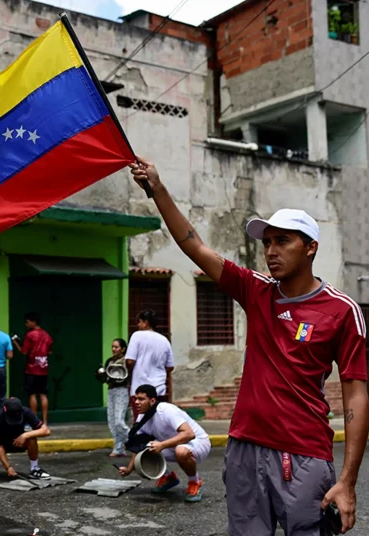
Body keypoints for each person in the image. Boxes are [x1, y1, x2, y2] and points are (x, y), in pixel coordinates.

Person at [130, 157, 368, 534]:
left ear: (310, 248)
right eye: (267, 242)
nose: (271, 250)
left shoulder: (341, 310)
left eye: (283, 241)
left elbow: (356, 396)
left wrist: (348, 482)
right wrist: (157, 190)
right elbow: (195, 247)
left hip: (303, 455)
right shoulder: (256, 290)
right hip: (244, 451)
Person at [119, 384, 210, 502]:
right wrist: (129, 469)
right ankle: (168, 478)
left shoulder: (166, 410)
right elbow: (139, 447)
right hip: (175, 444)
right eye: (135, 399)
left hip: (198, 442)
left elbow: (189, 434)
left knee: (180, 451)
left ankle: (195, 482)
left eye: (141, 399)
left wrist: (162, 445)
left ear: (152, 400)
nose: (136, 402)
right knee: (146, 449)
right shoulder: (142, 418)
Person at [0, 397, 51, 479]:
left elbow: (46, 431)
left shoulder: (26, 411)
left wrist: (25, 435)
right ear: (5, 409)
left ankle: (35, 469)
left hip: (18, 442)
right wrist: (8, 467)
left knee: (31, 438)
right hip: (2, 444)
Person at [126, 309, 174, 414]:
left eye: (139, 322)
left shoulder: (137, 336)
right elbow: (170, 367)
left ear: (146, 323)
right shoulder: (164, 340)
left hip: (140, 390)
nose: (138, 325)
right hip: (159, 389)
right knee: (158, 422)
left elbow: (130, 361)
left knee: (140, 423)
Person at [12, 312, 52, 424]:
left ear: (33, 322)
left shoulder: (30, 335)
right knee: (43, 394)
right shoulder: (46, 335)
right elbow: (50, 351)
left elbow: (24, 352)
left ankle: (34, 420)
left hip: (31, 369)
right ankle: (44, 421)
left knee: (32, 394)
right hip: (43, 368)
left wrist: (15, 343)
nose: (26, 324)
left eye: (27, 322)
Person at [104, 338, 130, 458]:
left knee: (119, 420)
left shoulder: (126, 361)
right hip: (111, 390)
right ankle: (119, 448)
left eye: (116, 347)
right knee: (112, 421)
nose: (114, 349)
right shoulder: (109, 361)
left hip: (121, 390)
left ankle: (134, 440)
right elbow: (106, 377)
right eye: (113, 347)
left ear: (123, 349)